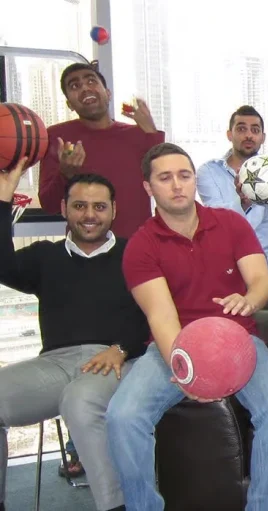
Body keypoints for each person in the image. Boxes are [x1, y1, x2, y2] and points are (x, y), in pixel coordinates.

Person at [105, 143, 268, 510]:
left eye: (184, 175)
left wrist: (249, 300)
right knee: (123, 416)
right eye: (165, 178)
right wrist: (189, 371)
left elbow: (261, 282)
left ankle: (261, 506)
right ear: (149, 188)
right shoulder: (141, 246)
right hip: (175, 345)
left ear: (194, 179)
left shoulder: (231, 222)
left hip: (240, 340)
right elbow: (161, 316)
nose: (177, 185)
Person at [0, 159, 148, 511]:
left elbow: (158, 315)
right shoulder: (44, 256)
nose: (89, 215)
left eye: (99, 206)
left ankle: (116, 506)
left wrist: (122, 347)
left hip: (118, 363)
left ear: (114, 210)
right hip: (55, 365)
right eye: (80, 206)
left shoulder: (136, 255)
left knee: (80, 401)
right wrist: (4, 199)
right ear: (65, 209)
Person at [39, 62, 165, 237]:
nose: (85, 88)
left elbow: (165, 183)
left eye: (91, 81)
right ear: (69, 104)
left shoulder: (139, 134)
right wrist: (65, 174)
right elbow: (49, 205)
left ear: (108, 93)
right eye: (75, 85)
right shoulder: (56, 137)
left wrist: (152, 133)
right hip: (84, 251)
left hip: (137, 248)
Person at [197, 105, 268, 299]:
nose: (249, 135)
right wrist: (244, 202)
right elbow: (218, 223)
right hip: (227, 266)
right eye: (241, 129)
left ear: (262, 138)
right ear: (229, 134)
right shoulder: (208, 171)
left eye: (255, 130)